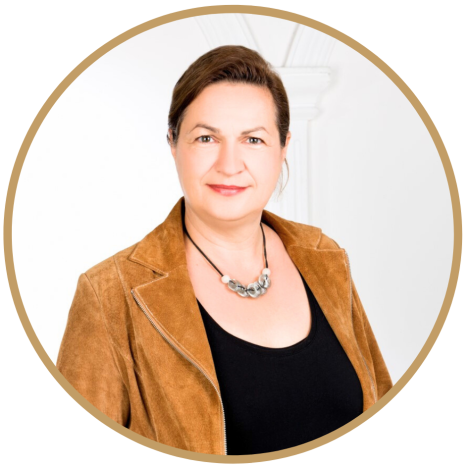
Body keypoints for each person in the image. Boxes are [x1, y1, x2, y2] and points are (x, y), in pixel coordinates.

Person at [57, 45, 393, 455]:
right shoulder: (109, 295)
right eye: (206, 137)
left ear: (283, 147)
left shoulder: (325, 257)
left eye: (253, 139)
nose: (229, 164)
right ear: (173, 143)